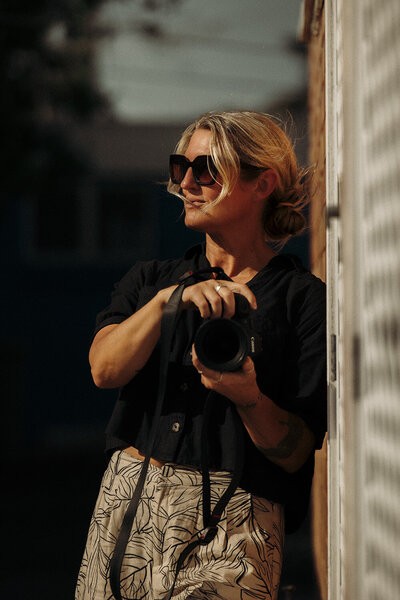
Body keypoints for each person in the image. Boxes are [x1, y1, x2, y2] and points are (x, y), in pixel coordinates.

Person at [75, 110, 326, 600]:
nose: (187, 182)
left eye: (206, 168)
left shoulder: (303, 299)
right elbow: (103, 370)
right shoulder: (151, 280)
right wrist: (168, 303)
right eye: (179, 167)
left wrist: (249, 398)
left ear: (262, 183)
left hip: (240, 516)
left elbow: (298, 453)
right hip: (131, 496)